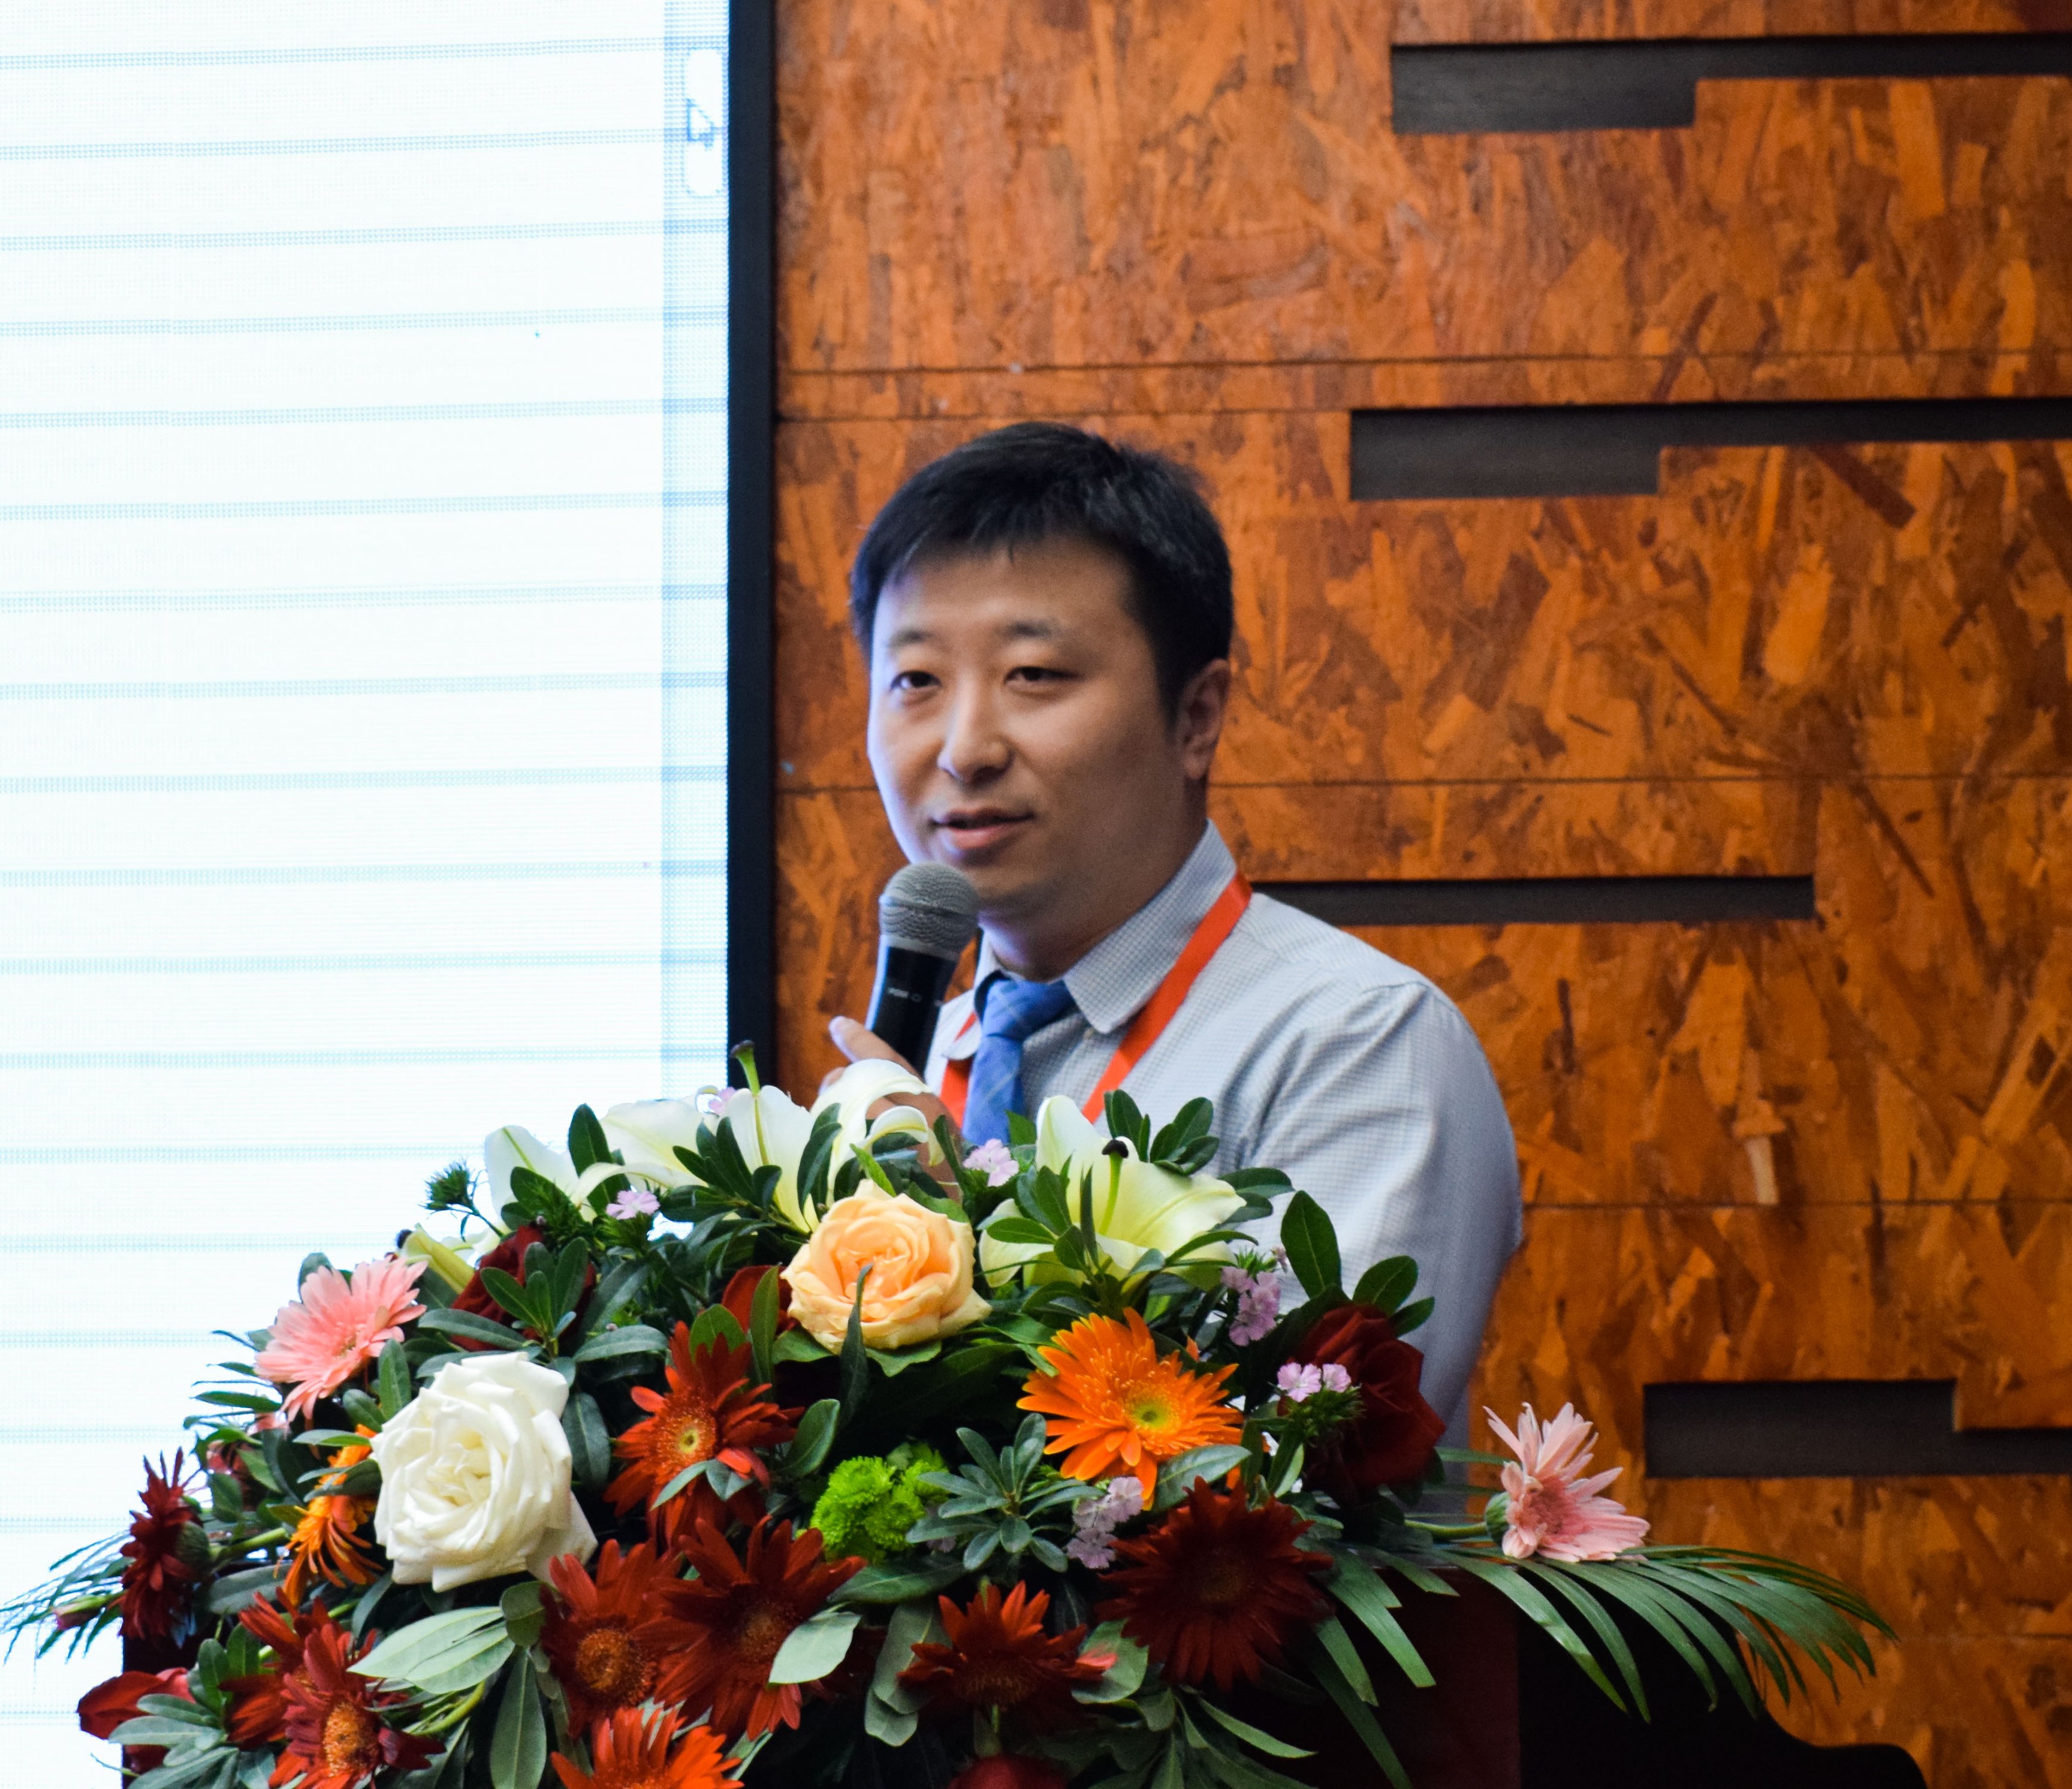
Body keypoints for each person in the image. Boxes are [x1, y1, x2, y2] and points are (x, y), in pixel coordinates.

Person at [825, 421, 1521, 1439]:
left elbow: (1306, 1464)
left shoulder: (1360, 1044)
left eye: (1033, 674)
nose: (964, 748)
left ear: (1195, 717)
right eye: (916, 682)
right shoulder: (922, 1066)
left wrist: (962, 1225)